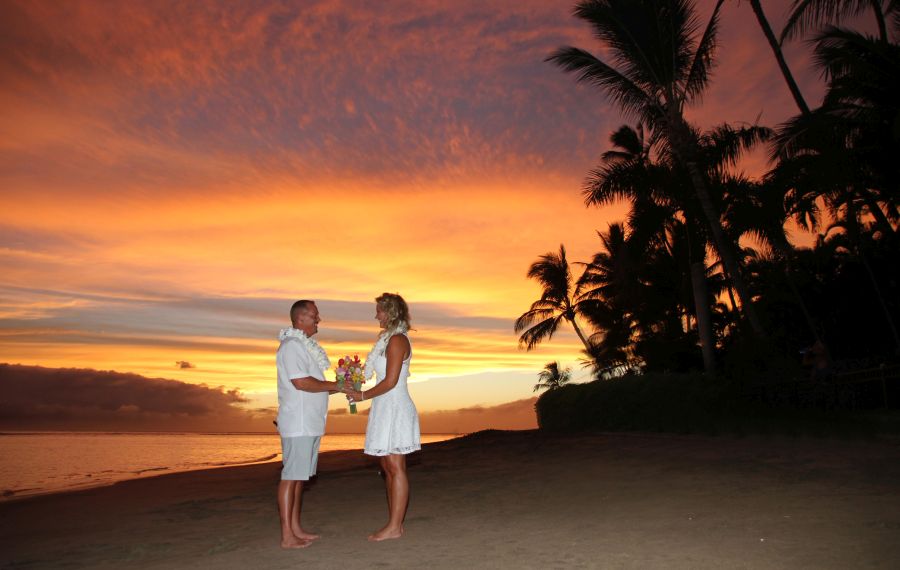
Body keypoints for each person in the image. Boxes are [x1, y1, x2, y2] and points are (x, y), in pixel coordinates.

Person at [345, 292, 421, 541]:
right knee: (387, 467)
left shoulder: (398, 340)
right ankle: (393, 523)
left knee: (396, 466)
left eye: (379, 310)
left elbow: (390, 381)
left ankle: (395, 526)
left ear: (390, 312)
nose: (375, 314)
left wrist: (362, 396)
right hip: (383, 406)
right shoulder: (387, 340)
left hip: (395, 406)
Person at [275, 300, 342, 549]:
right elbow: (301, 383)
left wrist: (340, 386)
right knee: (290, 477)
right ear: (300, 319)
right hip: (298, 423)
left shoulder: (304, 347)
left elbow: (315, 387)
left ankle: (296, 527)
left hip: (309, 423)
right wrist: (336, 385)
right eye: (315, 315)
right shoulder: (292, 346)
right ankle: (286, 535)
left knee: (299, 478)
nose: (319, 320)